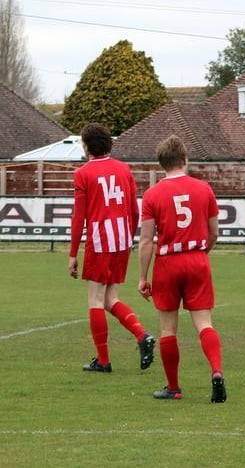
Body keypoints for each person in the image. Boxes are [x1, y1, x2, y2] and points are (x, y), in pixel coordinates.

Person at [138, 135, 226, 403]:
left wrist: (142, 276)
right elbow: (214, 233)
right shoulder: (204, 188)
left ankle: (173, 387)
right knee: (204, 323)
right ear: (185, 160)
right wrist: (201, 253)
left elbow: (145, 241)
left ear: (161, 164)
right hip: (197, 259)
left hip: (167, 262)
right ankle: (217, 372)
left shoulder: (152, 195)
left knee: (168, 329)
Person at [68, 123, 155, 373]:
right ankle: (141, 336)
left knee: (95, 300)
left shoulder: (83, 174)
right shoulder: (123, 169)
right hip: (121, 240)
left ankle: (104, 360)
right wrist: (128, 238)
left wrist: (73, 254)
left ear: (86, 146)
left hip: (99, 240)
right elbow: (134, 210)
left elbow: (79, 217)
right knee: (110, 298)